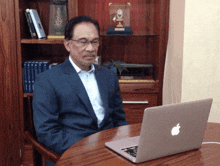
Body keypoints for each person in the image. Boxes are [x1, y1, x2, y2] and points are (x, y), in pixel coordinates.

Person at [33, 15, 129, 158]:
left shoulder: (109, 76)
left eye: (95, 42)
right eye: (83, 42)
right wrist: (88, 150)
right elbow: (47, 132)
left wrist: (126, 142)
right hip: (73, 153)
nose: (90, 48)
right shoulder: (47, 81)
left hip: (110, 150)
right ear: (67, 44)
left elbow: (119, 118)